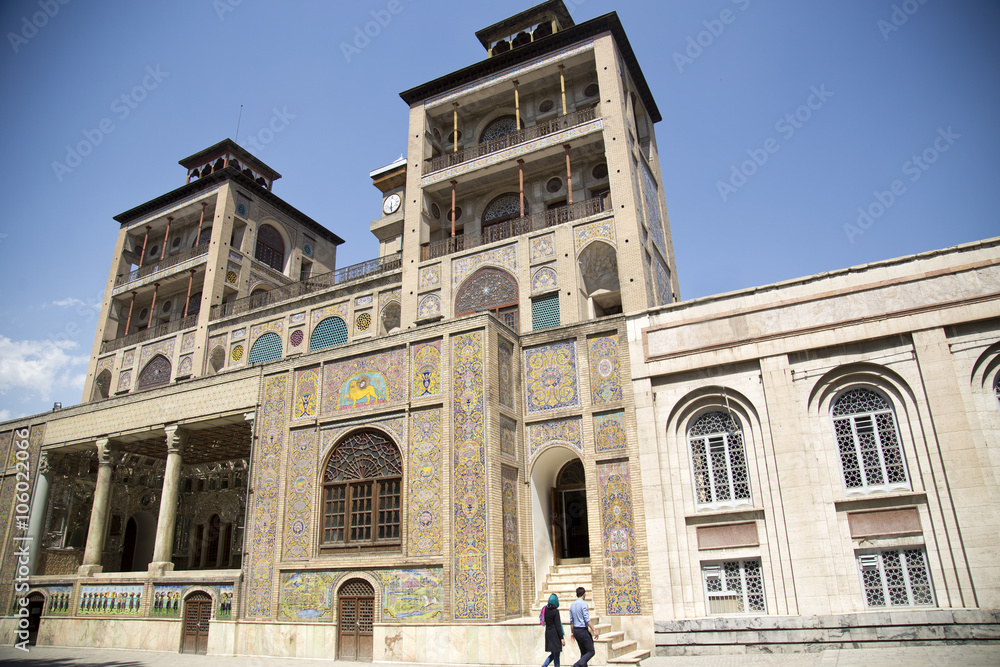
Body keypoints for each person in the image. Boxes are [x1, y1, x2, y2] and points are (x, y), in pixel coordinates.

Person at [568, 587, 598, 667]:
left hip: (576, 631)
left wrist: (572, 632)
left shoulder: (572, 605)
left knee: (583, 653)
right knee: (591, 651)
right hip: (582, 630)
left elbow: (571, 621)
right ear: (584, 594)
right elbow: (586, 619)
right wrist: (594, 629)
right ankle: (576, 665)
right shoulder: (583, 604)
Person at [541, 593, 565, 667]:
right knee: (556, 653)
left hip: (548, 633)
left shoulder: (546, 609)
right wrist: (561, 638)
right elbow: (558, 625)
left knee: (553, 653)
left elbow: (544, 620)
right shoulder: (555, 611)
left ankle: (544, 666)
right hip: (555, 635)